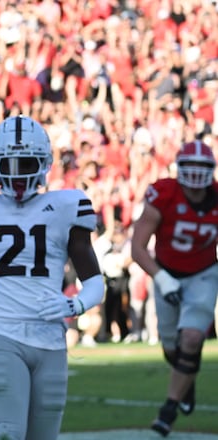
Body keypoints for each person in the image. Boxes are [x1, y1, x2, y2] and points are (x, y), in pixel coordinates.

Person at [0, 115, 104, 439]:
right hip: (1, 331)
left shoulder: (67, 204)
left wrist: (75, 306)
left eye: (25, 162)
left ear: (44, 164)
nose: (16, 174)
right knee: (6, 434)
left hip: (51, 338)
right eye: (8, 163)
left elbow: (95, 281)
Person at [130, 140, 218, 437]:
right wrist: (162, 279)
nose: (195, 174)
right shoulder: (164, 193)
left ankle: (168, 410)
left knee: (191, 339)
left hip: (204, 274)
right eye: (189, 167)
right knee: (172, 347)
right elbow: (138, 248)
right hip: (166, 273)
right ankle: (187, 380)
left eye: (201, 168)